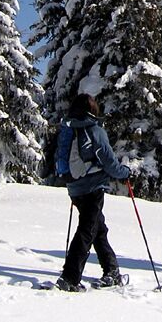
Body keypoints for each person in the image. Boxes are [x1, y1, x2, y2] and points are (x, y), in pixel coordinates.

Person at [55, 93, 131, 292]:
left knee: (98, 229)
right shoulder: (94, 130)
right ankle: (70, 277)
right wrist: (125, 173)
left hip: (74, 187)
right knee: (87, 231)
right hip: (92, 187)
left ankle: (111, 270)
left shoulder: (68, 128)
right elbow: (109, 162)